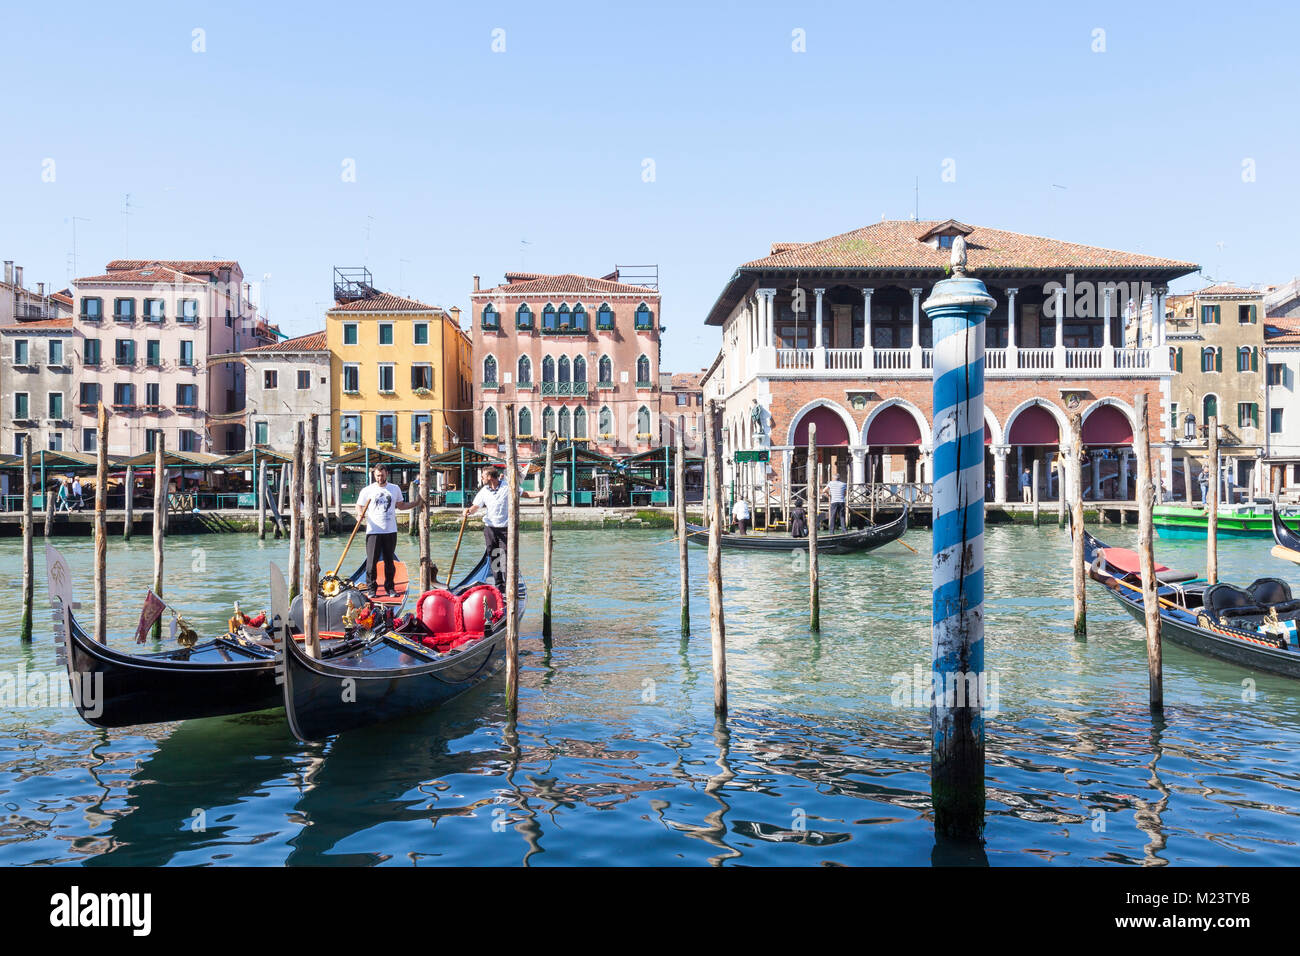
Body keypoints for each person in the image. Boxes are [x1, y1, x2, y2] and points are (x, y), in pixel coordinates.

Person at [464, 467, 541, 592]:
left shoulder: (507, 487)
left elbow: (525, 494)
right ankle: (499, 586)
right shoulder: (484, 491)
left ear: (490, 477)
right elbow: (476, 506)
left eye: (483, 476)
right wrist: (468, 511)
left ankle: (509, 585)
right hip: (490, 529)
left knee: (505, 558)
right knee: (494, 557)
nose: (482, 478)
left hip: (505, 529)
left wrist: (542, 493)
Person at [355, 464, 420, 599]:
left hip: (390, 531)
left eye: (382, 475)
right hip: (373, 531)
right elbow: (359, 505)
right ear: (374, 475)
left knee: (389, 562)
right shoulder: (368, 490)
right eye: (378, 476)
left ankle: (390, 588)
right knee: (371, 562)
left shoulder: (394, 489)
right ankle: (372, 589)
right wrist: (359, 514)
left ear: (387, 474)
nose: (380, 478)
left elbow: (401, 506)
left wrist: (416, 503)